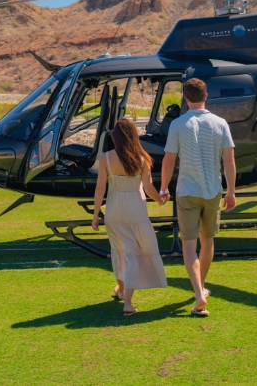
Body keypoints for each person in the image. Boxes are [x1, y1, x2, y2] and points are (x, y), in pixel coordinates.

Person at [160, 78, 236, 317]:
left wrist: (163, 187)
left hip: (187, 191)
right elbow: (229, 161)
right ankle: (200, 288)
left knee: (189, 246)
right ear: (206, 96)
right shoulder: (220, 123)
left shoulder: (178, 124)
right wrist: (231, 190)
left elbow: (169, 160)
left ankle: (199, 291)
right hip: (213, 190)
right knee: (208, 241)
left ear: (186, 97)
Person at [92, 118, 167, 316]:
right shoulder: (142, 159)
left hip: (114, 210)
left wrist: (95, 215)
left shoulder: (106, 158)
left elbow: (100, 189)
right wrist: (160, 199)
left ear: (115, 137)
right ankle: (127, 301)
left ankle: (122, 290)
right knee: (134, 253)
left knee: (118, 250)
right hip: (136, 210)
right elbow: (149, 188)